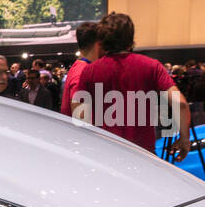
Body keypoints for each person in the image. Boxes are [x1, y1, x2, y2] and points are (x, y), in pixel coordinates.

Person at [76, 12, 190, 159]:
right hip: (143, 154)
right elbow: (180, 103)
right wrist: (184, 140)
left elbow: (79, 115)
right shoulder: (152, 66)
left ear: (103, 39)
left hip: (105, 155)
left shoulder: (89, 71)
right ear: (131, 38)